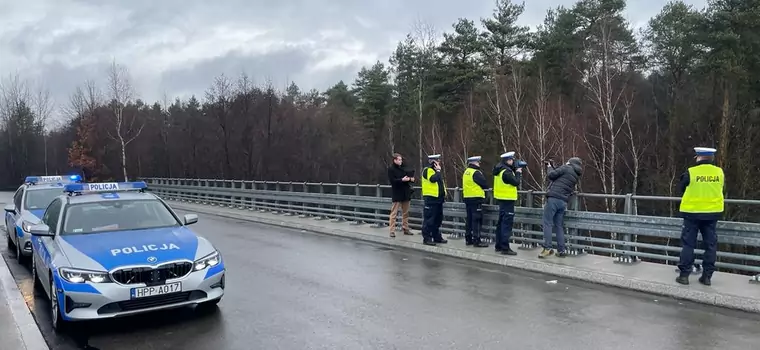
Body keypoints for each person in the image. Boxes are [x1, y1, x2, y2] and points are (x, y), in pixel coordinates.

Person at [676, 147, 724, 286]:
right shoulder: (719, 172)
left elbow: (682, 188)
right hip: (712, 214)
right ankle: (707, 277)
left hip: (692, 214)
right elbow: (722, 189)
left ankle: (684, 275)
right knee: (710, 245)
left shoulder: (691, 172)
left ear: (698, 157)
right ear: (711, 158)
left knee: (688, 244)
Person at [539, 157, 583, 258]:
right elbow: (560, 177)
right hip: (563, 202)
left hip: (554, 198)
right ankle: (561, 250)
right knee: (558, 226)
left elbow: (551, 175)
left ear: (570, 162)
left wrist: (549, 167)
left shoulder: (566, 168)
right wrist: (554, 167)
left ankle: (547, 248)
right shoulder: (576, 174)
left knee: (547, 223)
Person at [493, 151, 522, 255]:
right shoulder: (506, 172)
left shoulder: (499, 169)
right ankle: (505, 248)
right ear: (508, 160)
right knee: (506, 224)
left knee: (501, 223)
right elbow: (515, 182)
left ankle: (499, 245)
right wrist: (518, 172)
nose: (513, 161)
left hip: (501, 199)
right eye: (512, 160)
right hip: (508, 200)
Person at [462, 156, 490, 248]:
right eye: (478, 162)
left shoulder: (466, 172)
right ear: (475, 163)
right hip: (476, 199)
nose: (479, 164)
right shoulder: (476, 172)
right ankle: (477, 240)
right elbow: (485, 184)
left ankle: (468, 239)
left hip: (467, 198)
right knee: (477, 220)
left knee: (469, 219)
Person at [420, 154, 448, 246]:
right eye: (438, 161)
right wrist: (438, 171)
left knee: (437, 220)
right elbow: (433, 179)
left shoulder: (435, 171)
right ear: (433, 162)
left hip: (438, 199)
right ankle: (427, 238)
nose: (439, 163)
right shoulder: (428, 170)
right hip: (431, 199)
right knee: (429, 220)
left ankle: (437, 237)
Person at [387, 153, 414, 238]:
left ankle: (405, 228)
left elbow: (409, 178)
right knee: (394, 213)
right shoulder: (391, 169)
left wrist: (410, 179)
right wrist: (402, 180)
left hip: (405, 192)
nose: (400, 161)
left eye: (401, 160)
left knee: (406, 213)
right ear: (395, 160)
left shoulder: (403, 168)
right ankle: (392, 230)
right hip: (397, 193)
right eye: (399, 160)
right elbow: (392, 181)